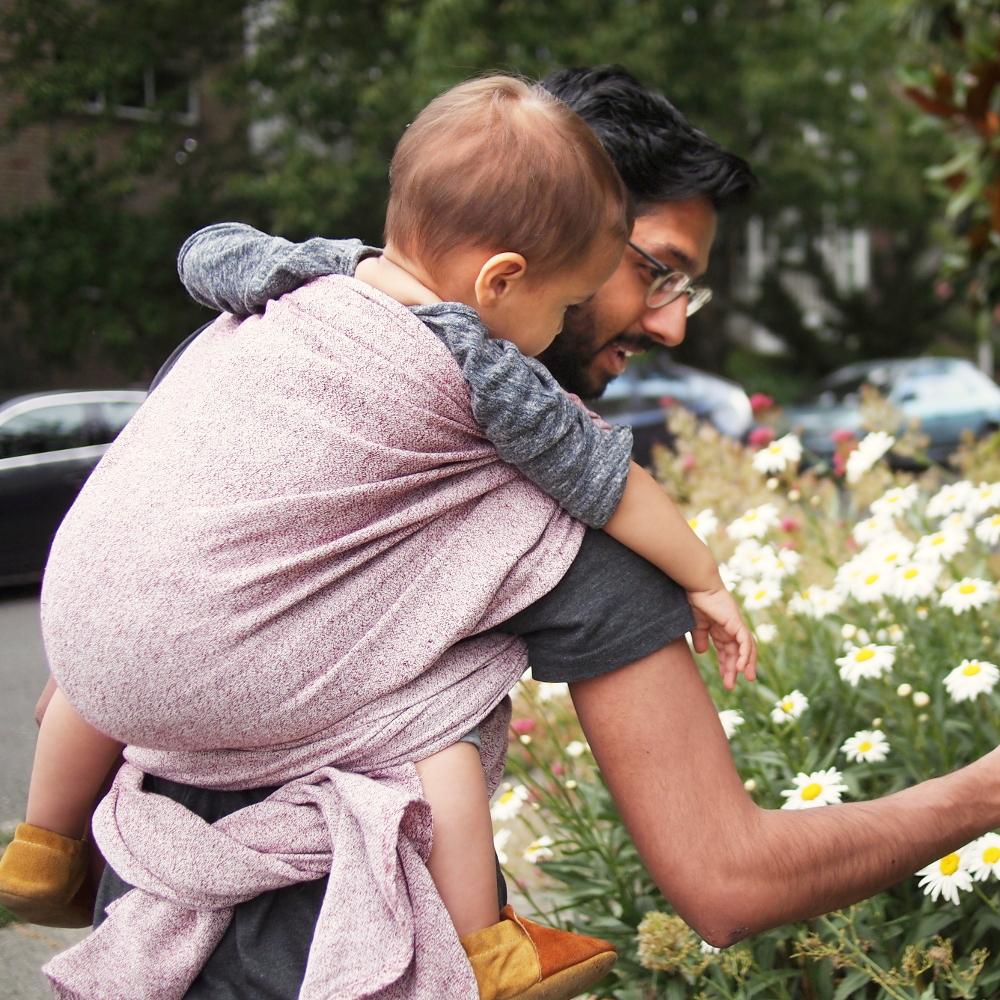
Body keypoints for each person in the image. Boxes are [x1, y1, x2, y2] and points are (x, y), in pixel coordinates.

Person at [146, 63, 1000, 958]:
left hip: (142, 937)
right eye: (657, 273)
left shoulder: (254, 354)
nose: (673, 327)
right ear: (542, 244)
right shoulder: (574, 516)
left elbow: (76, 681)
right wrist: (983, 793)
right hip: (373, 965)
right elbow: (729, 879)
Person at [3, 74, 752, 1000]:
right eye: (567, 306)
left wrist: (108, 652)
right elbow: (609, 485)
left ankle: (43, 851)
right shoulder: (480, 365)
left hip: (88, 639)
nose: (562, 328)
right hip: (264, 786)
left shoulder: (291, 289)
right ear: (502, 280)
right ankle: (490, 953)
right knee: (438, 722)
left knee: (116, 662)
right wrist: (706, 579)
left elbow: (208, 254)